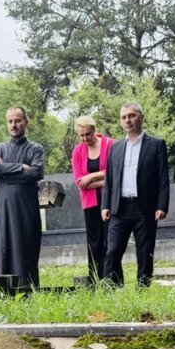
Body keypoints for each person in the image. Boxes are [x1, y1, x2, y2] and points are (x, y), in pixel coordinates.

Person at [101, 102, 170, 287]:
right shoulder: (115, 147)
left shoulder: (156, 145)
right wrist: (105, 205)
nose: (128, 120)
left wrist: (162, 206)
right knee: (113, 250)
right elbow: (109, 179)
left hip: (144, 207)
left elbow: (163, 178)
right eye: (124, 117)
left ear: (141, 117)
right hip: (119, 207)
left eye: (132, 115)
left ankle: (143, 290)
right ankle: (110, 289)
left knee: (145, 251)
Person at [0, 106, 45, 288]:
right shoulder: (0, 148)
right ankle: (2, 286)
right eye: (10, 121)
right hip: (3, 207)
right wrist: (20, 166)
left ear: (26, 122)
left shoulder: (36, 149)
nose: (13, 125)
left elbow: (36, 172)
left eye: (17, 121)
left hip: (25, 206)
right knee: (3, 243)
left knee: (25, 244)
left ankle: (26, 286)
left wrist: (5, 170)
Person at [71, 115, 114, 282]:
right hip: (90, 202)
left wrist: (91, 176)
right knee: (94, 242)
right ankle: (95, 279)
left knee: (111, 240)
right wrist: (105, 180)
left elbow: (115, 174)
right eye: (81, 135)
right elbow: (79, 182)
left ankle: (112, 279)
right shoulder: (77, 151)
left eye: (88, 134)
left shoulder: (110, 145)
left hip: (109, 201)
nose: (85, 139)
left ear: (95, 130)